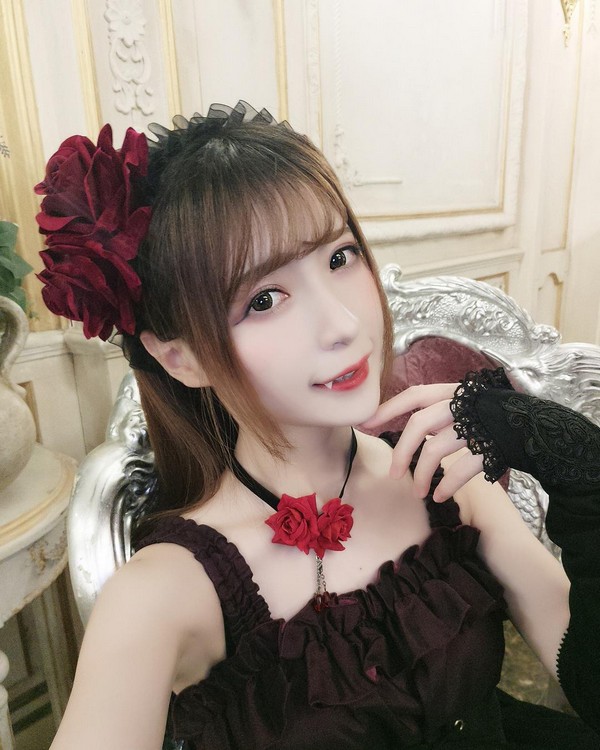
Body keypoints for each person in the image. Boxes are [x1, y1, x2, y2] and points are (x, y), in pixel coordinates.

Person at [34, 101, 598, 749]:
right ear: (181, 358)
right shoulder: (163, 594)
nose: (344, 324)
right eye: (264, 299)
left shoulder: (443, 474)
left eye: (340, 257)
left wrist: (575, 461)